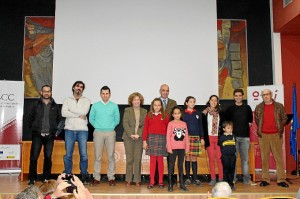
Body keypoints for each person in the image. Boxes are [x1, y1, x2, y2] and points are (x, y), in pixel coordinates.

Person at [28, 85, 61, 185]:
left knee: (48, 157)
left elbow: (59, 120)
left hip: (50, 135)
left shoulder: (55, 106)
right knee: (34, 157)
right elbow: (29, 118)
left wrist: (55, 131)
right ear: (41, 92)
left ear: (51, 92)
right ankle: (32, 178)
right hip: (37, 135)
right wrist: (34, 129)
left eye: (48, 91)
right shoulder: (35, 104)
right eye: (44, 91)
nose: (46, 93)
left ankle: (46, 177)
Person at [254, 89, 289, 188]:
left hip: (276, 135)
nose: (265, 96)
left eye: (267, 94)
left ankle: (281, 180)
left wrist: (279, 127)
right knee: (264, 158)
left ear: (271, 95)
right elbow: (257, 120)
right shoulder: (259, 107)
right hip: (263, 136)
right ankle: (265, 179)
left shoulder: (279, 106)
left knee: (278, 158)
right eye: (263, 95)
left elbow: (285, 118)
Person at [89, 86, 120, 186]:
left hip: (110, 132)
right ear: (100, 94)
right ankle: (96, 177)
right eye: (103, 93)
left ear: (109, 95)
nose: (105, 95)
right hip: (98, 132)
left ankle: (111, 177)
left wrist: (110, 127)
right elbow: (91, 119)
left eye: (107, 93)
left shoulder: (114, 106)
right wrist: (98, 126)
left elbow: (117, 120)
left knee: (111, 156)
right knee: (97, 156)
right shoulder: (95, 105)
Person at [62, 81, 91, 184]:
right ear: (73, 87)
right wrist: (78, 115)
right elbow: (63, 113)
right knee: (68, 155)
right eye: (77, 86)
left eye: (81, 87)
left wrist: (71, 112)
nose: (79, 88)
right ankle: (68, 174)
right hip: (69, 130)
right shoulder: (67, 100)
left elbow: (84, 112)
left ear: (83, 90)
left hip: (82, 130)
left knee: (84, 155)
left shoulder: (86, 100)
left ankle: (84, 175)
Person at [225, 88, 253, 184]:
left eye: (239, 95)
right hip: (233, 137)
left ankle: (247, 179)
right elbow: (226, 123)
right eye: (236, 95)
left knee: (245, 160)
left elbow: (250, 122)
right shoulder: (230, 109)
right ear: (234, 97)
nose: (238, 97)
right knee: (233, 159)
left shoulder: (247, 108)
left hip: (245, 137)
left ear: (242, 96)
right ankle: (233, 179)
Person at [142, 98, 170, 189]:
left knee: (160, 161)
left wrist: (167, 141)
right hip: (151, 138)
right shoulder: (149, 115)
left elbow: (168, 129)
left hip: (162, 139)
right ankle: (152, 181)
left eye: (159, 105)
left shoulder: (165, 115)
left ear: (161, 106)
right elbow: (145, 128)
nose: (157, 107)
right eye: (155, 105)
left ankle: (161, 181)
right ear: (152, 106)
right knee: (153, 161)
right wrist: (144, 141)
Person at [122, 92, 147, 187]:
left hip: (139, 138)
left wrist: (138, 134)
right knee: (129, 159)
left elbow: (144, 125)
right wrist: (131, 134)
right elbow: (125, 123)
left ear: (140, 101)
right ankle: (128, 179)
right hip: (128, 138)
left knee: (138, 159)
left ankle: (137, 179)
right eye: (134, 100)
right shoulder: (127, 110)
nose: (136, 101)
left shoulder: (144, 111)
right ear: (131, 101)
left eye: (138, 100)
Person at [166, 106, 190, 192]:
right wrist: (169, 148)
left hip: (182, 148)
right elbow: (168, 137)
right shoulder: (170, 124)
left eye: (178, 113)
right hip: (172, 148)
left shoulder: (184, 124)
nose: (177, 115)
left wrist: (187, 147)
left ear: (181, 114)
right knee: (171, 166)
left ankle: (182, 184)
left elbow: (186, 136)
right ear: (172, 115)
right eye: (175, 113)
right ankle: (170, 184)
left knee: (180, 166)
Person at [202, 95, 224, 185]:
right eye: (212, 100)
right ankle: (213, 178)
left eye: (215, 100)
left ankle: (221, 178)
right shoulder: (204, 113)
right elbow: (202, 127)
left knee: (219, 159)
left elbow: (224, 125)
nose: (214, 102)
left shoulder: (221, 112)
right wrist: (202, 138)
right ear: (209, 101)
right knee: (211, 159)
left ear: (217, 102)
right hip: (209, 137)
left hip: (218, 138)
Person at [183, 96, 205, 186]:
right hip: (186, 138)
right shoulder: (183, 114)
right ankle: (187, 178)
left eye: (193, 102)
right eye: (190, 102)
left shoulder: (198, 113)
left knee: (194, 158)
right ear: (186, 103)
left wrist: (202, 138)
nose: (192, 103)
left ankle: (195, 178)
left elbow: (200, 126)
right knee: (187, 157)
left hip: (196, 137)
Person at [218, 121, 236, 190]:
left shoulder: (234, 136)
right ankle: (226, 183)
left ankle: (231, 183)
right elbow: (221, 146)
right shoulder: (222, 137)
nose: (230, 129)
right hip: (225, 156)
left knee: (232, 169)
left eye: (231, 128)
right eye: (228, 128)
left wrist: (231, 135)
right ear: (224, 129)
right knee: (226, 169)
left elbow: (234, 144)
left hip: (233, 156)